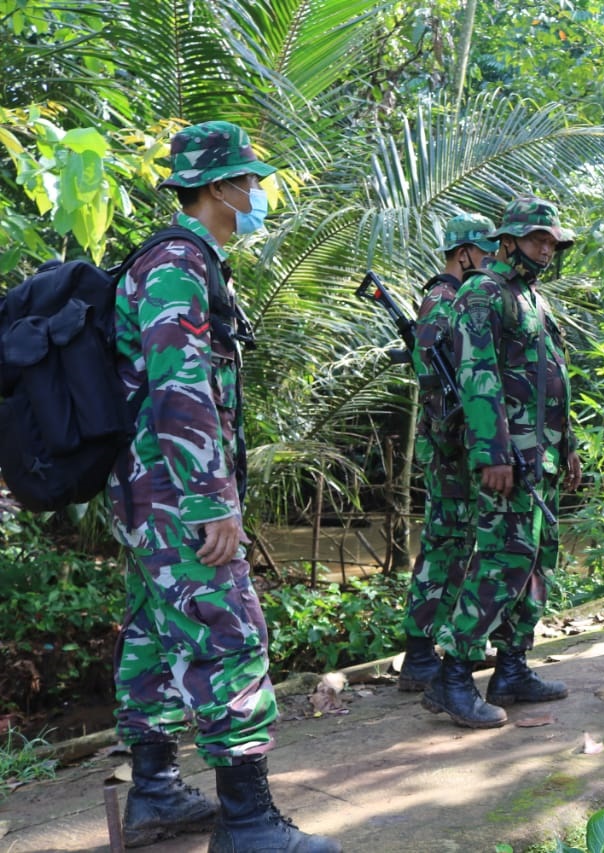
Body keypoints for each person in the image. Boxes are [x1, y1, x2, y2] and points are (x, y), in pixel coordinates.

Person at [109, 121, 339, 852]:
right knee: (228, 633)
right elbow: (181, 388)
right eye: (250, 183)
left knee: (152, 635)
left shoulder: (184, 259)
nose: (258, 196)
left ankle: (152, 794)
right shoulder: (178, 263)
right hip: (179, 493)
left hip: (151, 492)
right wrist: (212, 500)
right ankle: (247, 822)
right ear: (215, 188)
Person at [429, 197, 583, 728]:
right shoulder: (482, 293)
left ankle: (513, 667)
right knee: (502, 561)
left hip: (540, 458)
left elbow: (552, 378)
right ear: (509, 239)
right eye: (538, 239)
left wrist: (568, 447)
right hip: (509, 458)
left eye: (552, 242)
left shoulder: (531, 298)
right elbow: (478, 376)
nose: (547, 249)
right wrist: (492, 453)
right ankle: (454, 676)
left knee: (535, 562)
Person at [397, 214, 499, 710]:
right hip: (447, 448)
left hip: (455, 445)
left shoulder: (454, 299)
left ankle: (427, 647)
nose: (491, 263)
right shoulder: (442, 300)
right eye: (484, 255)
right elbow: (435, 378)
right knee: (445, 545)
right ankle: (418, 653)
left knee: (455, 545)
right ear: (463, 254)